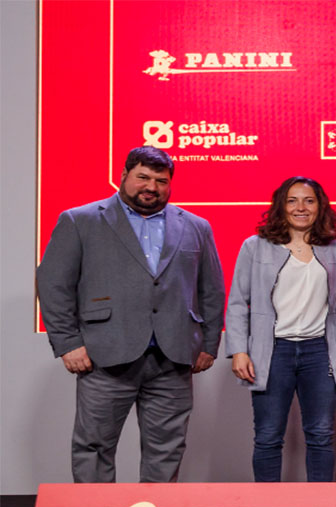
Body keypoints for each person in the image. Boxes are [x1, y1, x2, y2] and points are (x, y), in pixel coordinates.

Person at [36, 146, 225, 482]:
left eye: (160, 180)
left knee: (167, 450)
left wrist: (209, 343)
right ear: (124, 176)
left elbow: (210, 289)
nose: (151, 186)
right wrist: (67, 343)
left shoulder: (196, 226)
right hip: (105, 356)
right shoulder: (79, 220)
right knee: (94, 447)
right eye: (143, 177)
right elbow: (53, 285)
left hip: (174, 358)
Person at [225, 176, 336, 482]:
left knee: (321, 434)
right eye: (292, 200)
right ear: (281, 205)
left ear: (321, 206)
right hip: (272, 351)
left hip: (320, 352)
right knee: (268, 435)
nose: (301, 208)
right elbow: (239, 302)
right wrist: (239, 350)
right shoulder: (255, 247)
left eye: (309, 200)